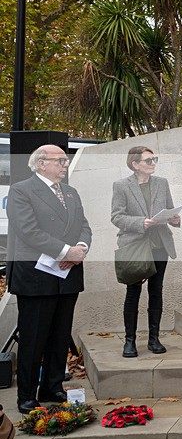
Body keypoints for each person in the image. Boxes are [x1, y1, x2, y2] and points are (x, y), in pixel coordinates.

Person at [7, 145, 92, 413]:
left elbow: (84, 226)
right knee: (33, 339)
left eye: (65, 161)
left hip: (67, 276)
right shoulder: (21, 190)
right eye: (60, 161)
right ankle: (26, 395)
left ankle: (52, 387)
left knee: (59, 336)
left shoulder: (71, 192)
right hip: (37, 277)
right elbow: (28, 230)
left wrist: (80, 249)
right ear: (41, 163)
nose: (65, 165)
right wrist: (66, 251)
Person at [111, 146, 181, 358]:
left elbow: (169, 209)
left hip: (160, 245)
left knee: (156, 291)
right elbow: (116, 217)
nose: (153, 163)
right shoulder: (121, 186)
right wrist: (141, 222)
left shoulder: (162, 183)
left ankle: (154, 338)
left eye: (154, 159)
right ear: (135, 164)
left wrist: (174, 219)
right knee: (133, 292)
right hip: (135, 246)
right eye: (148, 160)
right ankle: (130, 341)